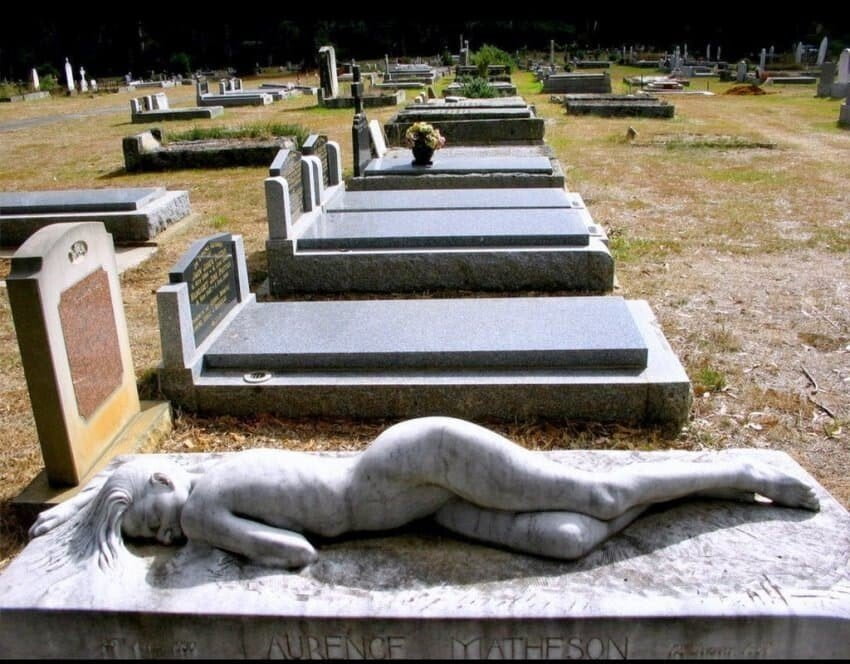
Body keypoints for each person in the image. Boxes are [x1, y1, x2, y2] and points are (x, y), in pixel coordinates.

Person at [29, 417, 819, 570]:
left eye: (155, 523)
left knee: (598, 496)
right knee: (569, 538)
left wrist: (205, 542)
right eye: (154, 541)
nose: (169, 539)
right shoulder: (211, 481)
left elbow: (296, 553)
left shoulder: (205, 506)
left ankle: (740, 471)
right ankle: (675, 497)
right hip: (417, 505)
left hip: (410, 465)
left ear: (168, 481)